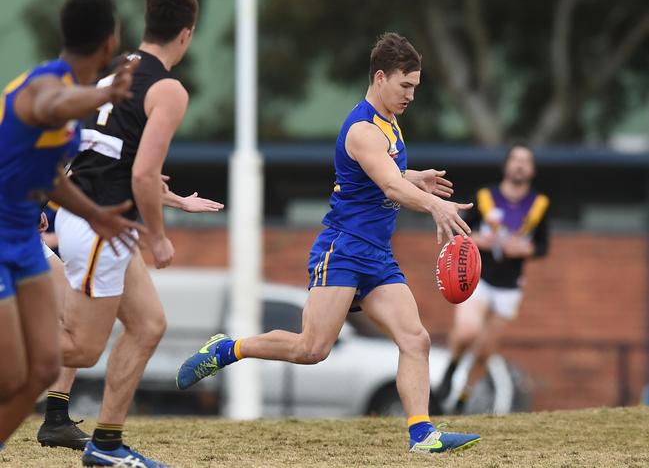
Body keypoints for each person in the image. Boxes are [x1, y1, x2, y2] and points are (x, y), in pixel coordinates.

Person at [177, 32, 481, 454]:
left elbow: (382, 178)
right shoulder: (362, 128)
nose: (411, 94)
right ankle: (229, 348)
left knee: (416, 340)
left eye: (415, 86)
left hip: (376, 255)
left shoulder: (390, 122)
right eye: (405, 85)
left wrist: (417, 178)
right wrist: (433, 205)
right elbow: (389, 186)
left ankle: (422, 436)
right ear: (380, 77)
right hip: (343, 249)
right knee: (312, 349)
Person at [45, 0, 199, 466]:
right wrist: (158, 236)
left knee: (148, 324)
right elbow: (141, 173)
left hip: (88, 215)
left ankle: (105, 446)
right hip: (101, 224)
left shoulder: (116, 67)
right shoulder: (168, 88)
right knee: (80, 350)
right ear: (186, 34)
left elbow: (92, 148)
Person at [0, 0, 142, 449]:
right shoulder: (48, 86)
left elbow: (53, 178)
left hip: (21, 235)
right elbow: (47, 108)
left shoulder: (74, 100)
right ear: (109, 42)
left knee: (44, 365)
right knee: (11, 368)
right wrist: (102, 94)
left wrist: (97, 215)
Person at [36, 180, 223, 451]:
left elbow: (82, 177)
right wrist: (160, 228)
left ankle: (56, 418)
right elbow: (136, 176)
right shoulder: (52, 139)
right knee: (85, 340)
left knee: (75, 322)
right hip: (15, 232)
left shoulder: (69, 143)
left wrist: (30, 204)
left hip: (22, 230)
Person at [436, 144, 550, 413]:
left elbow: (543, 246)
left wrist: (525, 248)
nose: (520, 165)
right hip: (479, 278)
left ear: (531, 170)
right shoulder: (485, 197)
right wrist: (479, 240)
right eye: (515, 159)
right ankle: (450, 371)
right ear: (506, 166)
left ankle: (463, 397)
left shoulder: (539, 205)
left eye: (525, 161)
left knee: (485, 351)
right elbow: (463, 231)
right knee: (467, 331)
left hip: (510, 286)